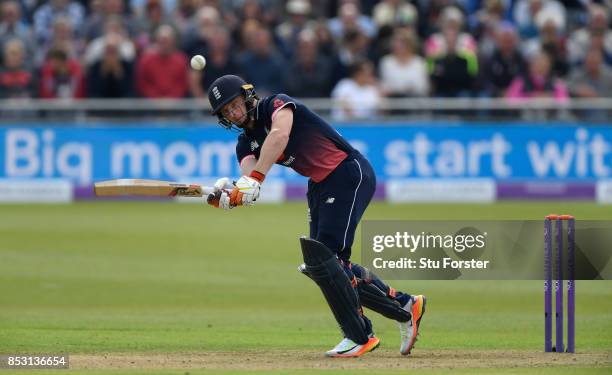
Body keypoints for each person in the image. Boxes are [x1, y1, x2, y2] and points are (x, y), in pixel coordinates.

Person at [205, 74, 427, 358]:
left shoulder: (277, 104)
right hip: (320, 184)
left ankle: (360, 336)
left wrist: (255, 178)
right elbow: (249, 184)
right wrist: (229, 197)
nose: (234, 114)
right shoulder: (244, 144)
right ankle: (406, 307)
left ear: (247, 95)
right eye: (226, 112)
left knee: (327, 261)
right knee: (323, 265)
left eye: (234, 105)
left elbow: (279, 136)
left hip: (347, 172)